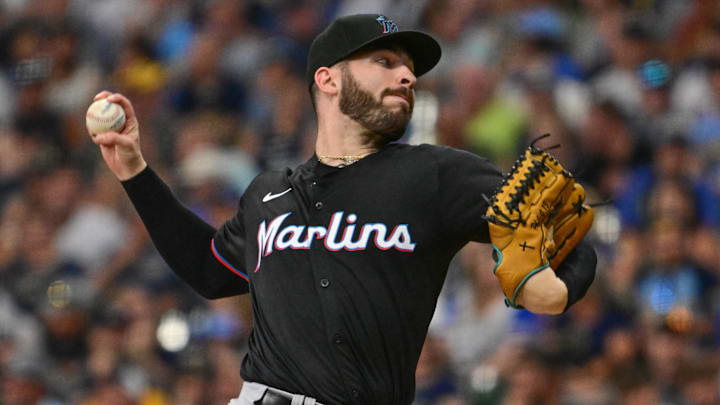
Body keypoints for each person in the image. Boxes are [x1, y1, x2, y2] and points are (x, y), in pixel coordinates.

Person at [89, 13, 596, 405]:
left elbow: (569, 227)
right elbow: (208, 269)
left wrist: (561, 287)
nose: (407, 77)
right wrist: (133, 169)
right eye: (386, 62)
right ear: (328, 80)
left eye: (410, 69)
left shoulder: (438, 175)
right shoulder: (268, 194)